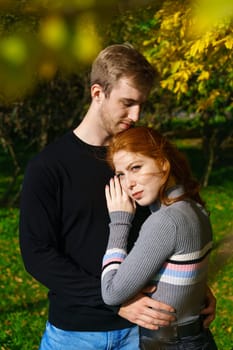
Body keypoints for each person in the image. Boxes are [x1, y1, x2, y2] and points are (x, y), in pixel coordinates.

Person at [19, 44, 216, 350]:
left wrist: (193, 289)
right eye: (127, 103)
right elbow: (37, 254)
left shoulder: (139, 157)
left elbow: (170, 227)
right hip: (76, 334)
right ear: (97, 93)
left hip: (143, 331)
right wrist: (115, 302)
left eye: (141, 104)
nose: (136, 115)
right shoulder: (48, 167)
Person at [101, 126, 218, 349]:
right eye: (121, 175)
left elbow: (111, 293)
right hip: (195, 337)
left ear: (163, 163)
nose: (129, 183)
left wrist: (119, 221)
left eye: (136, 167)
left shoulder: (166, 221)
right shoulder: (195, 208)